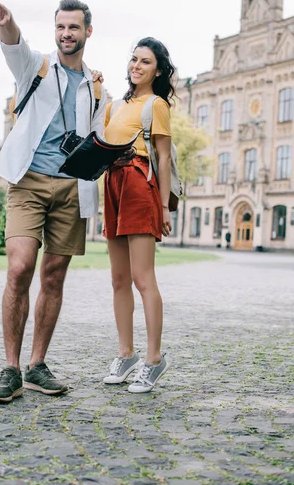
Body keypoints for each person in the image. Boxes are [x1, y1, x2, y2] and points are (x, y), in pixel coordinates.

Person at [0, 0, 106, 403]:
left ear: (88, 31)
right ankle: (10, 368)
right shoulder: (35, 66)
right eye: (60, 27)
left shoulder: (96, 85)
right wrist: (8, 22)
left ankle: (36, 366)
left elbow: (100, 136)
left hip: (73, 186)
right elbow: (13, 44)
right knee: (20, 268)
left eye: (74, 27)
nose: (66, 34)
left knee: (53, 277)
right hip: (29, 182)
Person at [102, 37, 175, 393]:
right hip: (112, 183)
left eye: (145, 62)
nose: (136, 66)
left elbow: (163, 158)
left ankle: (154, 359)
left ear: (157, 70)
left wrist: (162, 207)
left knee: (143, 278)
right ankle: (125, 353)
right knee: (118, 279)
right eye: (133, 59)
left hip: (140, 184)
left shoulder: (156, 105)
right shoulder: (115, 106)